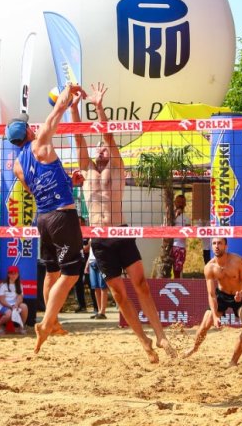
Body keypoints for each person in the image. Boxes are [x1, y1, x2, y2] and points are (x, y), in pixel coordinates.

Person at [71, 82, 178, 363]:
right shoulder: (86, 170)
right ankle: (144, 341)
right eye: (100, 149)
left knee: (141, 284)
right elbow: (79, 138)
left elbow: (107, 136)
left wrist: (98, 107)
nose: (103, 150)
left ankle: (160, 334)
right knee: (119, 295)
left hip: (121, 232)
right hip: (100, 241)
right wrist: (73, 108)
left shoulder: (118, 168)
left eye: (105, 148)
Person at [6, 83, 86, 354]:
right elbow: (59, 108)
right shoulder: (40, 140)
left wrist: (68, 182)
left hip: (44, 218)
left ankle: (52, 322)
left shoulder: (18, 165)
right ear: (28, 131)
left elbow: (37, 188)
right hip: (62, 216)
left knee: (52, 272)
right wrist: (70, 87)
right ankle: (46, 321)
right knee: (71, 273)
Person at [183, 237, 242, 365]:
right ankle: (194, 348)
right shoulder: (209, 267)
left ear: (226, 246)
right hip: (221, 295)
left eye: (220, 243)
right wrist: (215, 316)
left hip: (240, 296)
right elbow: (211, 294)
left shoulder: (237, 261)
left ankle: (233, 361)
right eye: (214, 243)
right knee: (204, 326)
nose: (216, 246)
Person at [0, 265, 29, 335]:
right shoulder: (3, 285)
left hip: (14, 305)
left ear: (18, 274)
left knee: (24, 307)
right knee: (8, 313)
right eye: (11, 273)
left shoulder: (19, 285)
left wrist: (16, 304)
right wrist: (10, 306)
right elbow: (1, 300)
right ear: (8, 275)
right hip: (4, 305)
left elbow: (20, 297)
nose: (13, 275)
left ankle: (21, 327)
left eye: (15, 273)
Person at [85, 234, 108, 320]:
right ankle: (99, 311)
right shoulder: (91, 235)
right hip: (92, 262)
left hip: (101, 261)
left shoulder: (103, 234)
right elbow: (90, 250)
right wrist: (87, 264)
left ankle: (103, 311)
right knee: (96, 287)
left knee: (103, 287)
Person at [72, 217, 90, 313]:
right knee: (77, 283)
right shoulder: (74, 233)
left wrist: (84, 248)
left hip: (88, 261)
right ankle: (81, 306)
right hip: (77, 261)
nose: (78, 225)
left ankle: (97, 307)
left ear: (83, 223)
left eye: (79, 223)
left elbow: (89, 247)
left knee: (89, 282)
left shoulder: (89, 231)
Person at [171, 194, 189, 278]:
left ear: (185, 204)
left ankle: (177, 283)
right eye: (178, 202)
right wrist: (175, 215)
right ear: (174, 203)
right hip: (168, 246)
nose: (180, 204)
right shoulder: (169, 216)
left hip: (180, 246)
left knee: (177, 269)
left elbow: (189, 232)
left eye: (182, 202)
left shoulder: (186, 218)